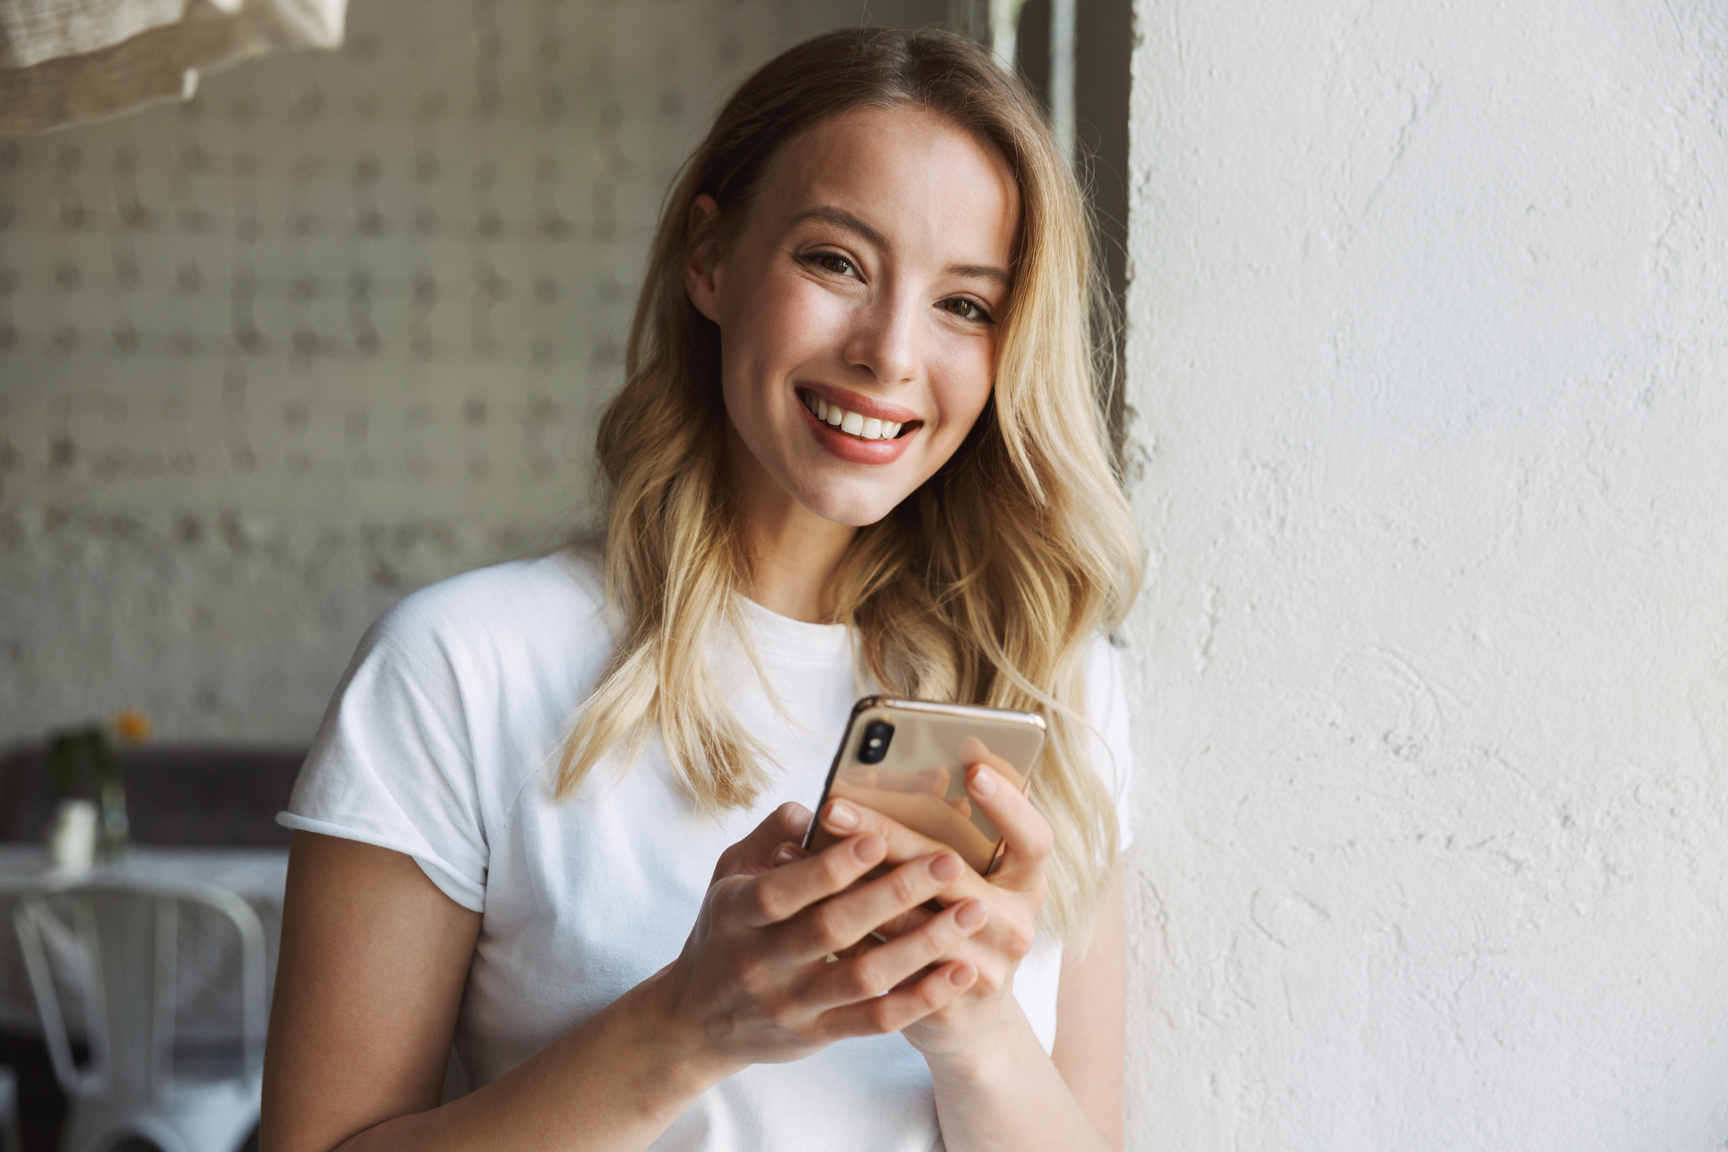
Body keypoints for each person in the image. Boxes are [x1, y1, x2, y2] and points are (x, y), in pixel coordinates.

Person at [260, 25, 1140, 1152]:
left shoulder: (1057, 691)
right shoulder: (458, 668)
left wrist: (974, 1027)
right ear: (711, 259)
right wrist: (690, 1024)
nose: (889, 353)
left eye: (964, 304)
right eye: (836, 262)